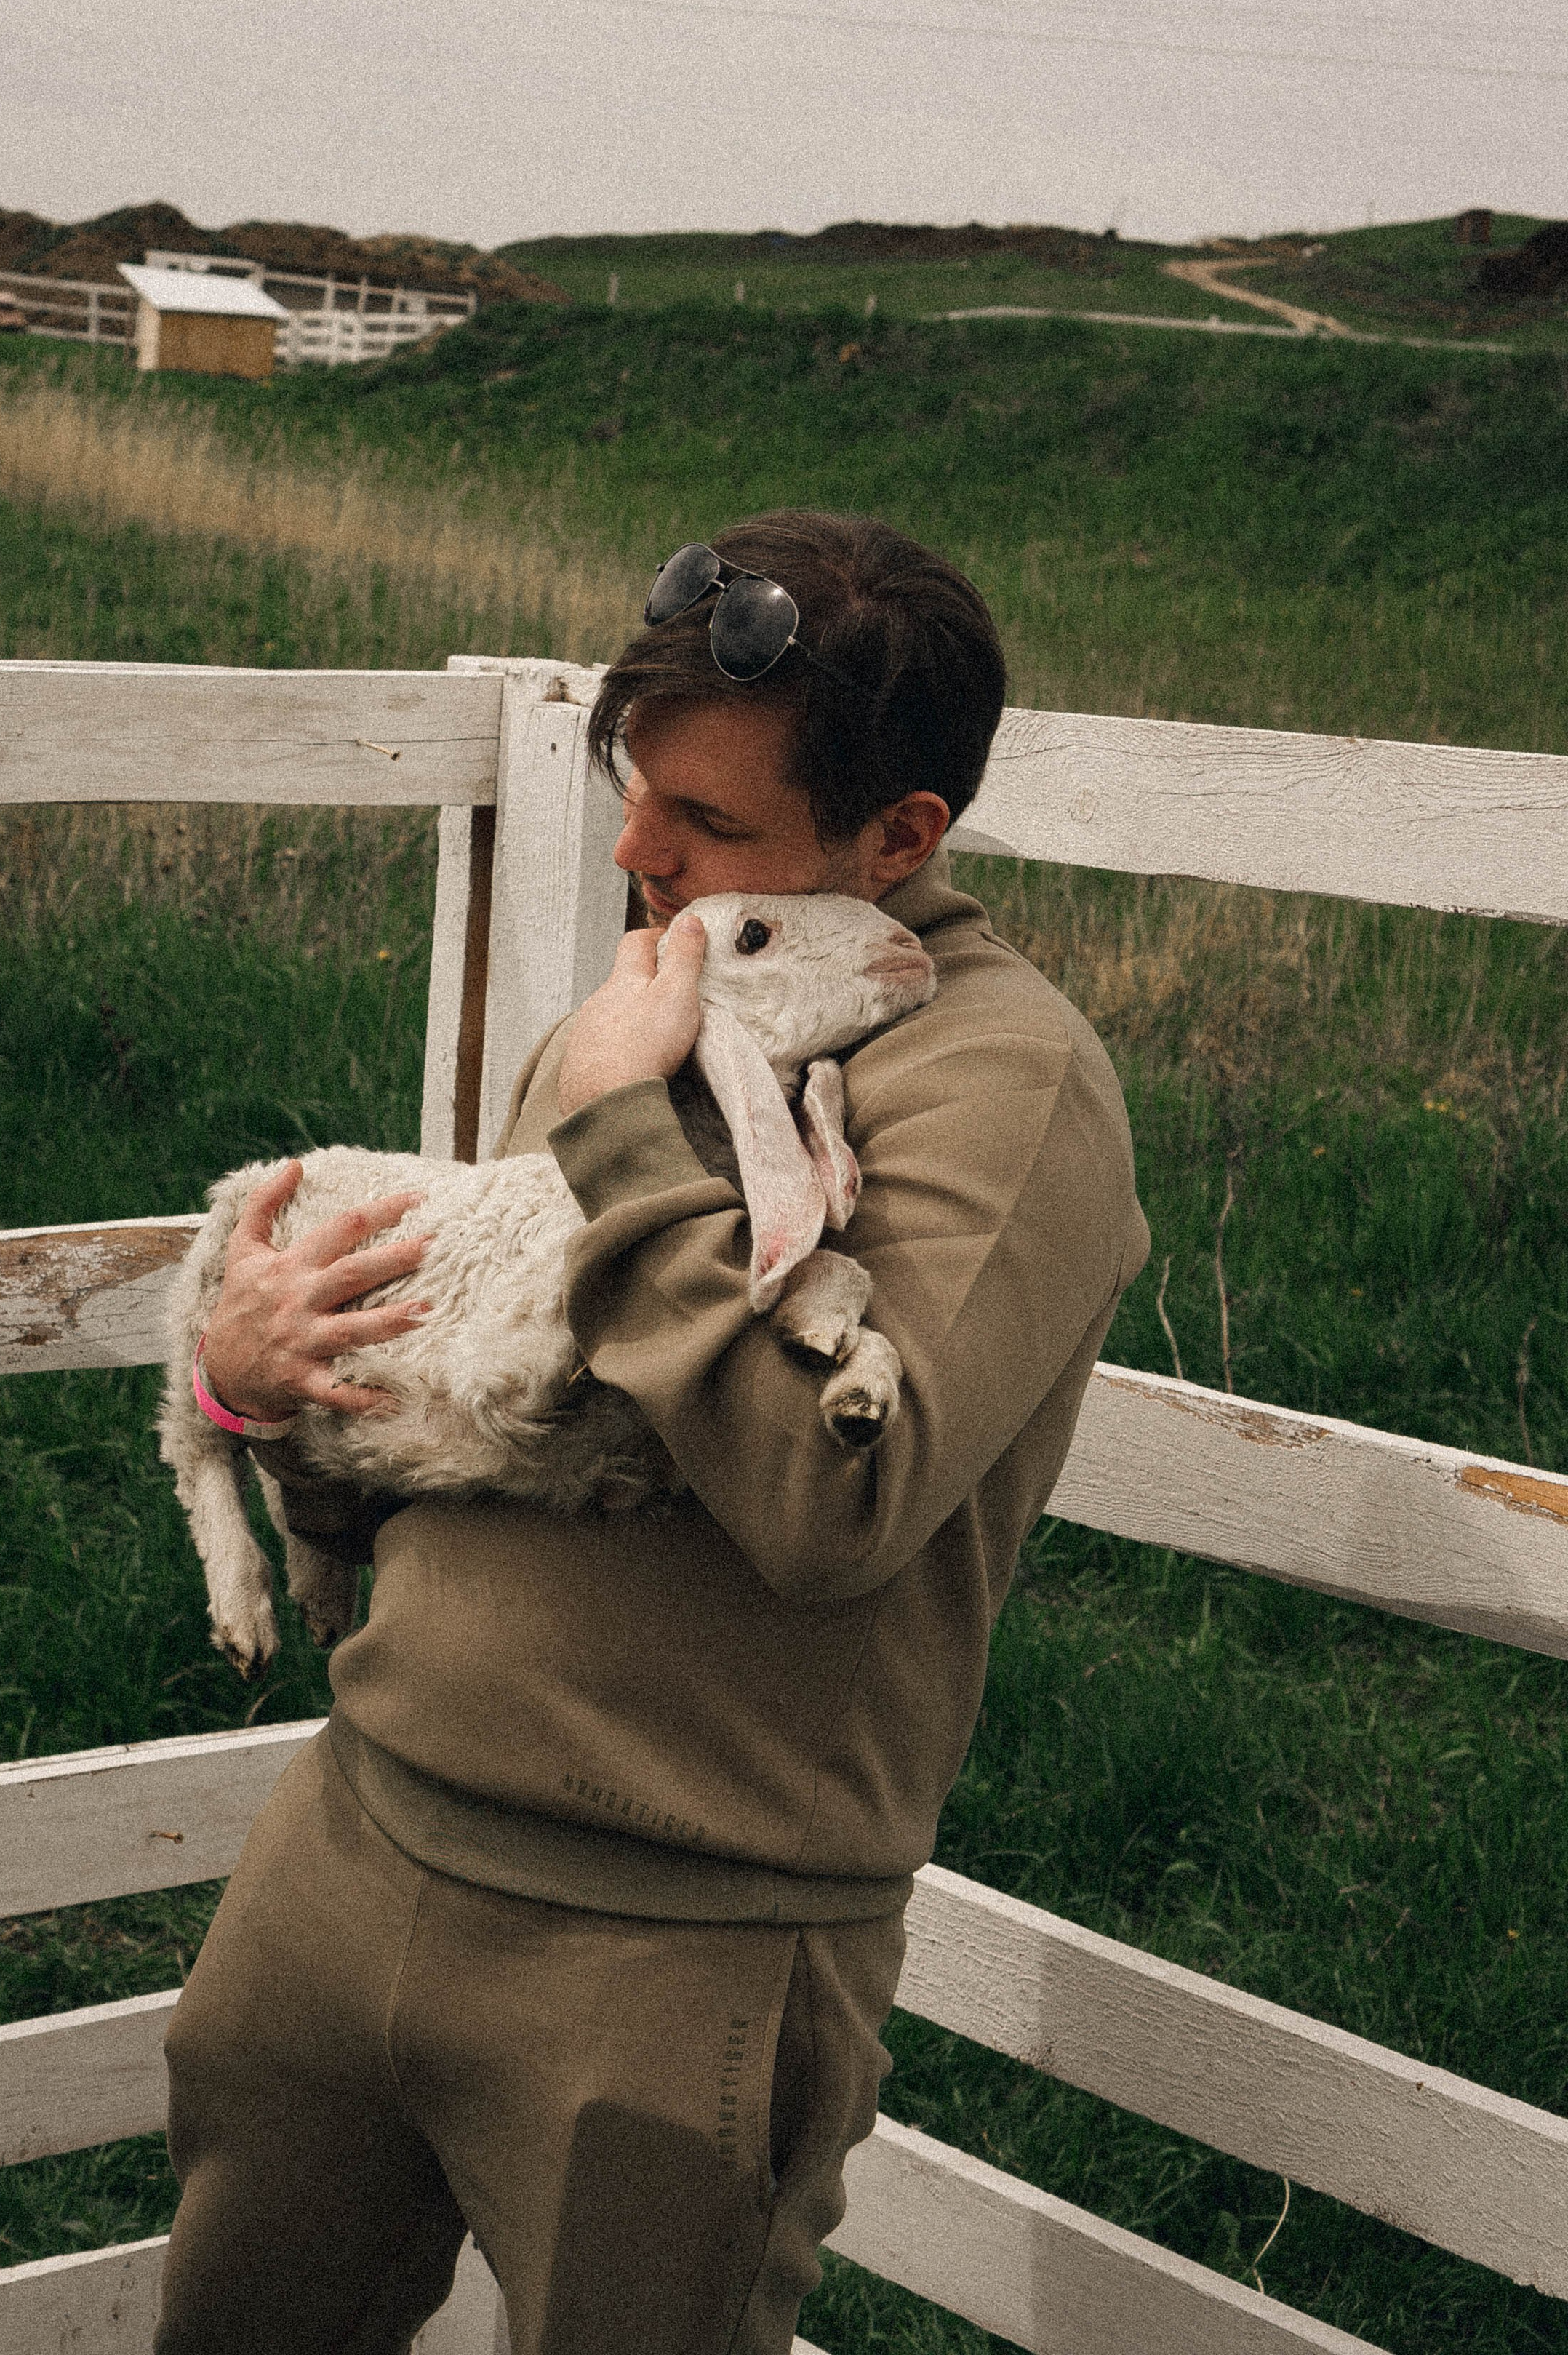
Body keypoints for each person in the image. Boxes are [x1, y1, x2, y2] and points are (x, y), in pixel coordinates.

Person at [155, 510, 1149, 2355]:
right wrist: (265, 1396)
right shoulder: (660, 995)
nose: (635, 853)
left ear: (904, 833)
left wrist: (617, 1137)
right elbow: (442, 1442)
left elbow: (824, 1504)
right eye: (633, 794)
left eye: (703, 821)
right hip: (352, 1850)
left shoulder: (1005, 1089)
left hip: (671, 1949)